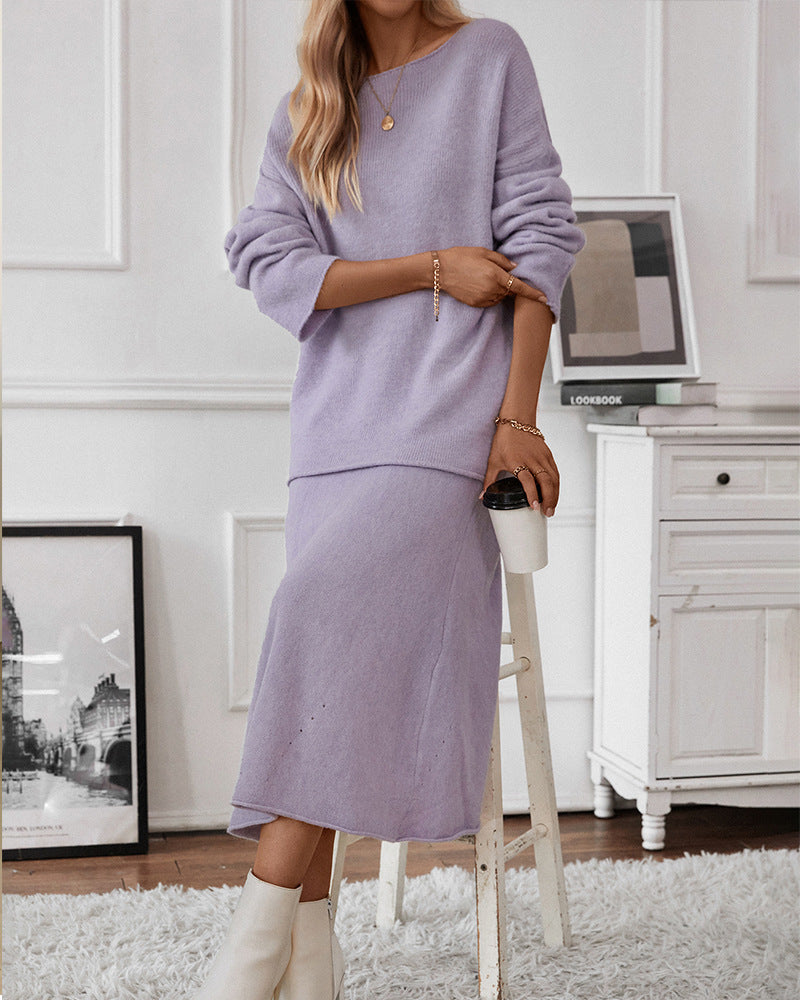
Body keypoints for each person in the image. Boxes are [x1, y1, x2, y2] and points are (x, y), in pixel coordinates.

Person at [196, 1, 585, 997]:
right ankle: (309, 960)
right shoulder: (308, 108)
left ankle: (252, 948)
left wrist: (516, 417)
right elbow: (265, 260)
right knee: (324, 632)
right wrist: (427, 268)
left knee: (315, 613)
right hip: (336, 435)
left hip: (454, 425)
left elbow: (540, 242)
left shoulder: (489, 57)